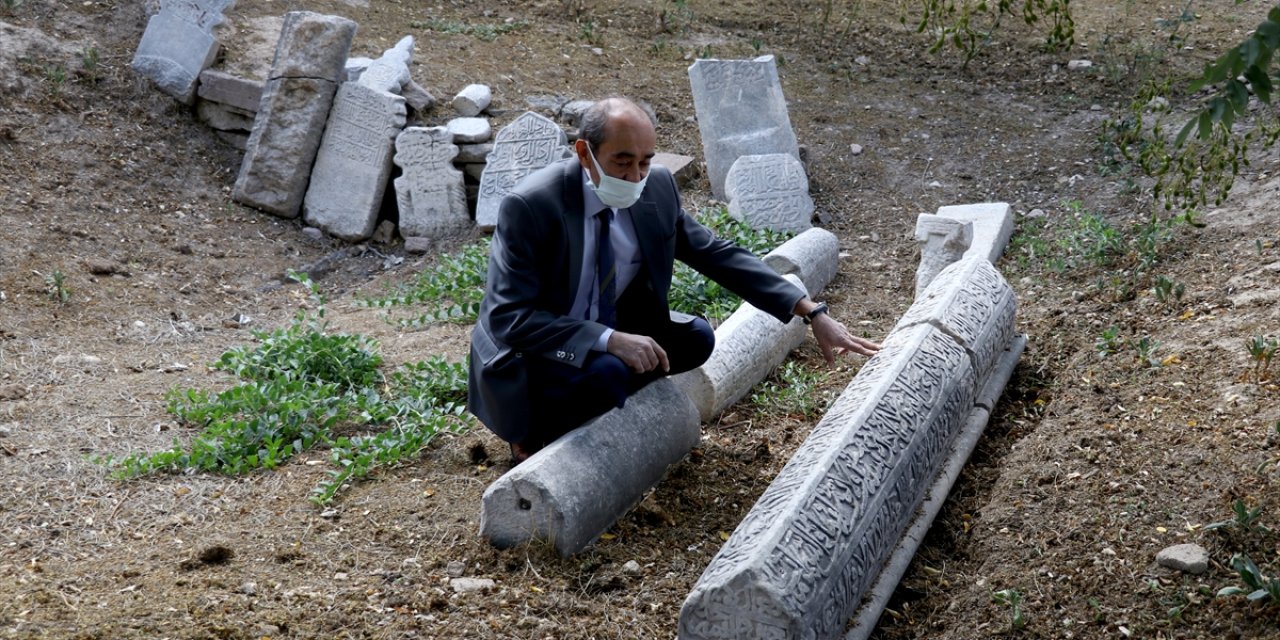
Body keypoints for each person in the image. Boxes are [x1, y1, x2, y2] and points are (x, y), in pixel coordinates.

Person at [467, 97, 880, 463]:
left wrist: (809, 310)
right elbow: (510, 318)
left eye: (645, 160)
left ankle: (597, 393)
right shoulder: (533, 205)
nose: (635, 177)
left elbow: (715, 253)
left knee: (697, 337)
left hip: (609, 323)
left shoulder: (656, 188)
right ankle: (533, 429)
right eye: (622, 161)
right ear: (584, 153)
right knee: (608, 373)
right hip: (538, 345)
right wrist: (609, 339)